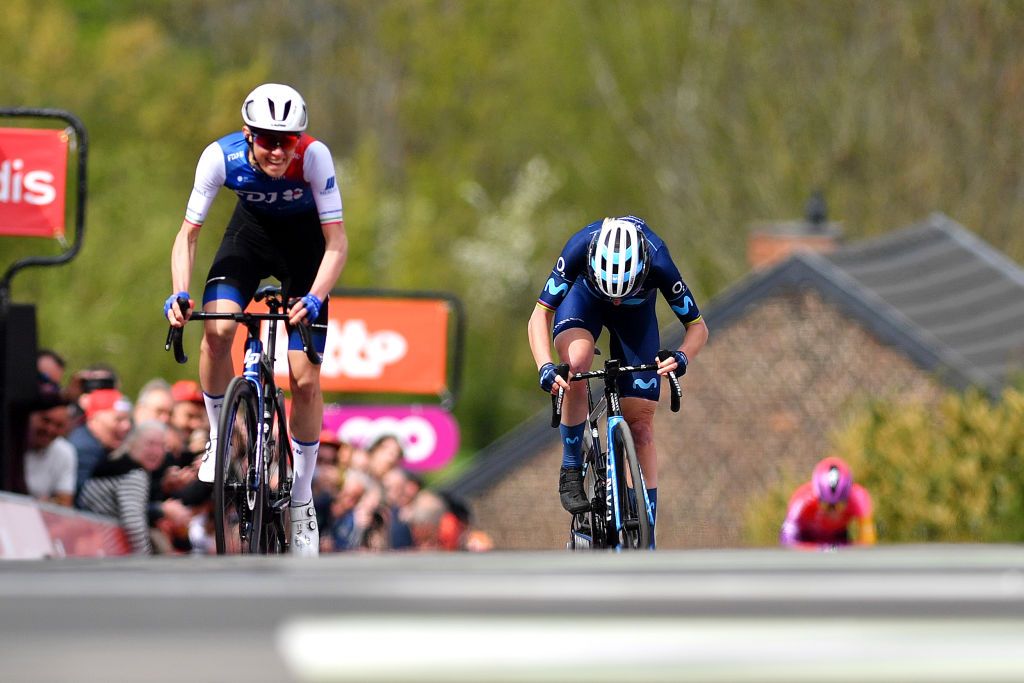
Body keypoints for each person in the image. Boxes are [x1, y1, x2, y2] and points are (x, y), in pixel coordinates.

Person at [164, 83, 348, 557]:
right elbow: (188, 235)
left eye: (286, 140)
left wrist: (314, 296)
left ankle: (302, 495)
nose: (276, 150)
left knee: (305, 379)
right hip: (248, 239)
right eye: (266, 139)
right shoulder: (220, 157)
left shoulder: (314, 157)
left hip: (305, 252)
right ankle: (218, 438)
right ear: (247, 135)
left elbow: (337, 244)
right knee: (218, 329)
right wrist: (180, 293)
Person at [527, 215, 709, 543]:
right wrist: (545, 367)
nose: (615, 301)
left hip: (636, 317)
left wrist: (681, 357)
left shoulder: (659, 260)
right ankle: (571, 466)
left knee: (640, 425)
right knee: (577, 360)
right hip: (584, 301)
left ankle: (646, 532)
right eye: (610, 292)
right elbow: (540, 314)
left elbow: (697, 328)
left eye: (623, 291)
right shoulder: (580, 246)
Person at [78, 420, 192, 555]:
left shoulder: (115, 463)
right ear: (132, 443)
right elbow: (134, 525)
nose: (156, 451)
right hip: (97, 544)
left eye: (162, 446)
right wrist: (144, 561)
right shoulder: (134, 475)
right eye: (150, 444)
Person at [780, 456, 877, 550]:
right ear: (817, 497)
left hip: (839, 539)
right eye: (826, 505)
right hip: (806, 539)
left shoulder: (858, 498)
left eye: (839, 505)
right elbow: (788, 542)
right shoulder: (801, 500)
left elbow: (867, 543)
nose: (833, 512)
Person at [69, 388, 133, 506]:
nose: (127, 426)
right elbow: (81, 500)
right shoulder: (87, 449)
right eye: (118, 419)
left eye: (128, 420)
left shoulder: (94, 444)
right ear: (95, 418)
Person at [23, 400, 76, 507]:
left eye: (59, 425)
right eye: (45, 420)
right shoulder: (8, 442)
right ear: (31, 417)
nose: (50, 429)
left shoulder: (65, 452)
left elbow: (65, 503)